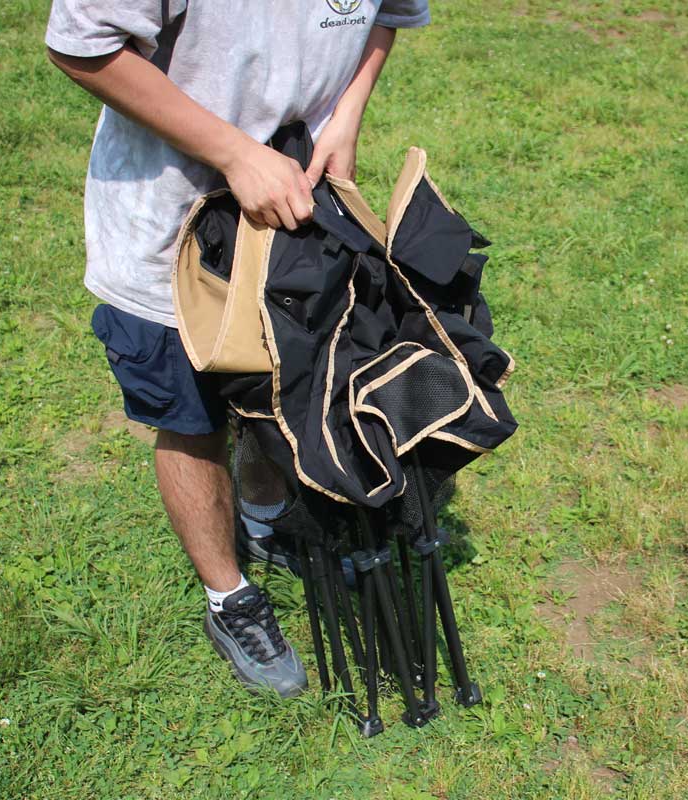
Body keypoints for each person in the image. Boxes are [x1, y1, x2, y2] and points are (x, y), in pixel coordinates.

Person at [45, 0, 431, 699]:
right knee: (194, 422)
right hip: (169, 226)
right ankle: (230, 598)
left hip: (299, 210)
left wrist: (346, 114)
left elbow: (392, 11)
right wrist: (232, 151)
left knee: (285, 385)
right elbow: (81, 45)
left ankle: (264, 519)